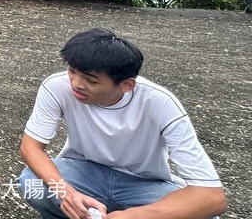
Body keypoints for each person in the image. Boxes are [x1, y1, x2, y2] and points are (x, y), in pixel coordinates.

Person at [17, 28, 227, 219]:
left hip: (144, 184)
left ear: (126, 85)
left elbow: (213, 197)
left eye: (91, 80)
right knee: (31, 182)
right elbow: (30, 148)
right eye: (72, 71)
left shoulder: (159, 103)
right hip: (83, 173)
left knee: (204, 214)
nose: (76, 84)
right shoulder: (57, 87)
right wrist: (68, 194)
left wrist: (135, 216)